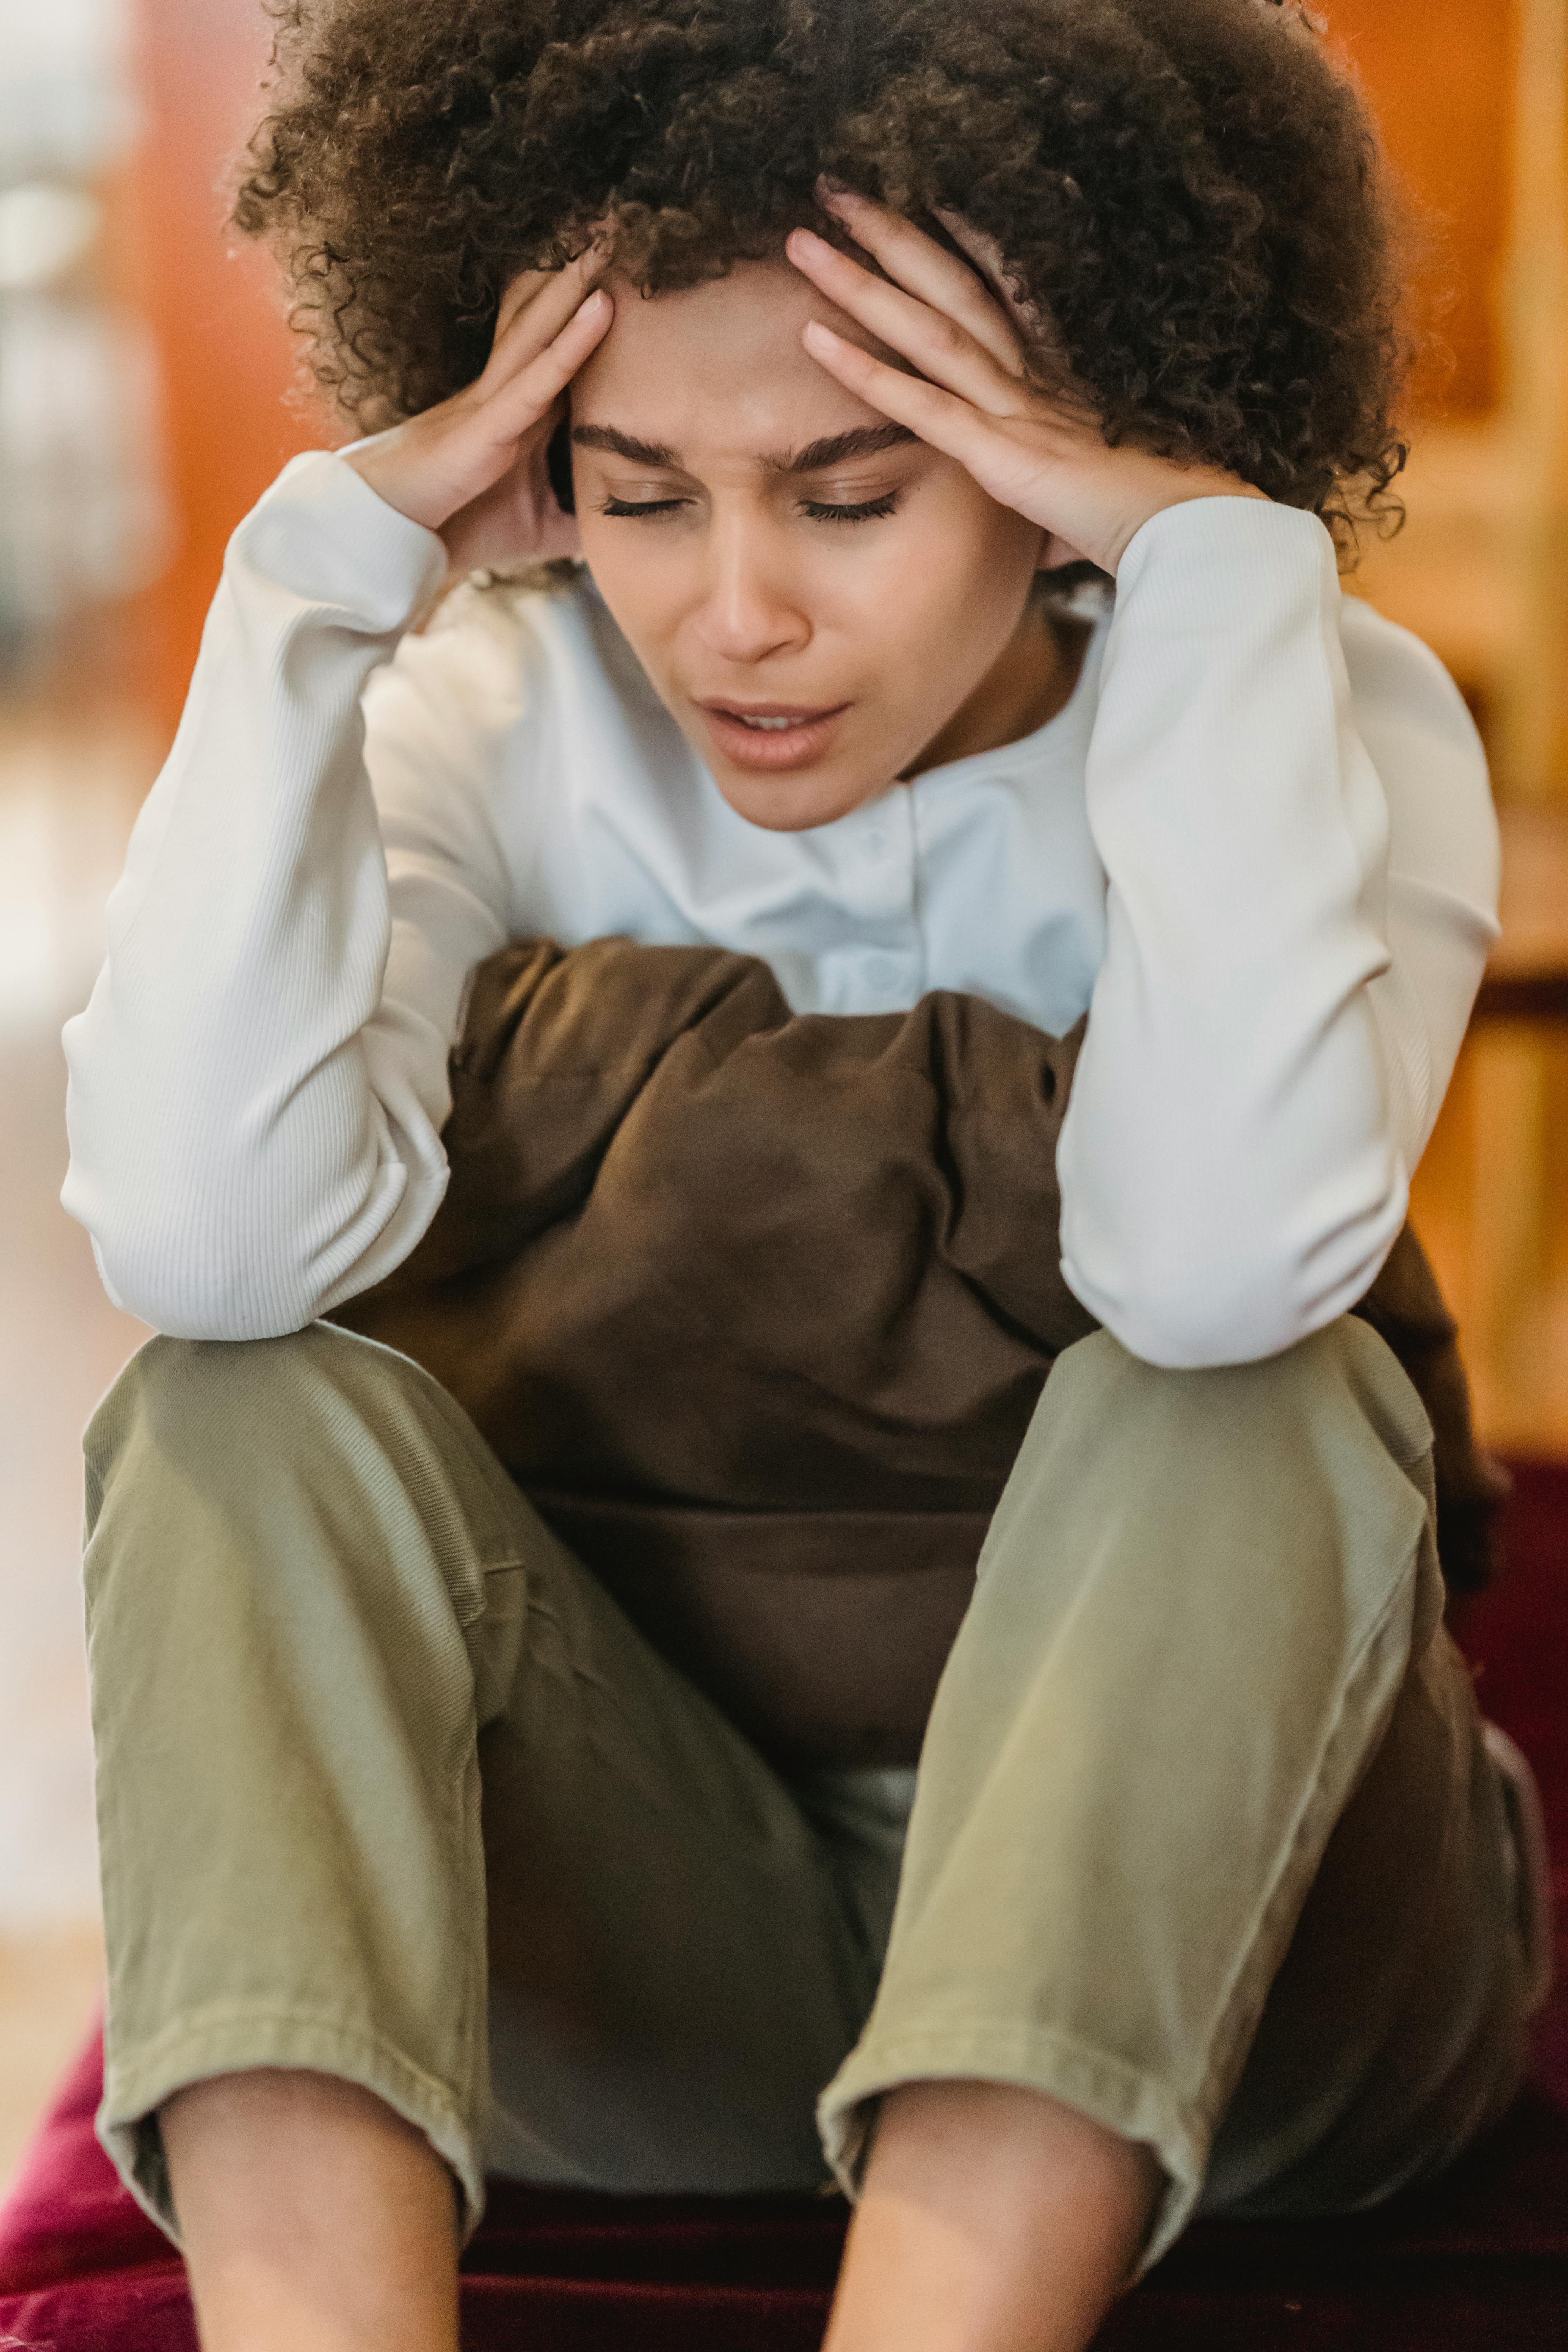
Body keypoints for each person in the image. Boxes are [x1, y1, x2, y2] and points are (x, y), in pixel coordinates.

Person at [61, 2, 1551, 2348]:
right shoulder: (497, 709)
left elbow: (1215, 1272)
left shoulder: (1318, 716)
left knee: (1252, 1390)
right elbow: (203, 1235)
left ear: (1069, 446)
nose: (733, 612)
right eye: (642, 490)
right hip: (651, 1963)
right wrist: (314, 583)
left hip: (1258, 2002)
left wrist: (1216, 589)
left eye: (853, 490)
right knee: (227, 1403)